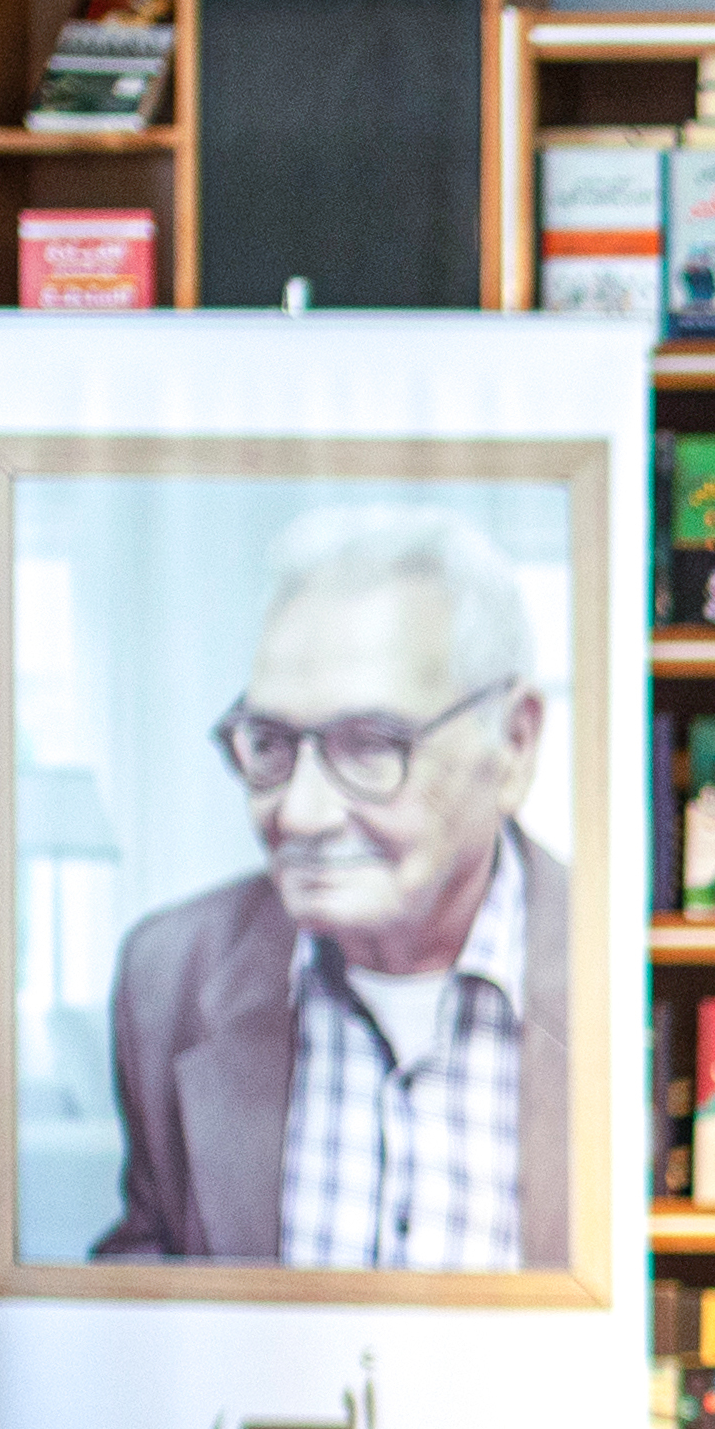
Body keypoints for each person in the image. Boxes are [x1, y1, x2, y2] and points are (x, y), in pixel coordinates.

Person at [96, 503, 576, 1270]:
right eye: (271, 745)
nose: (302, 812)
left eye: (371, 746)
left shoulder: (629, 975)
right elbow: (147, 1273)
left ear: (513, 746)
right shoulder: (169, 977)